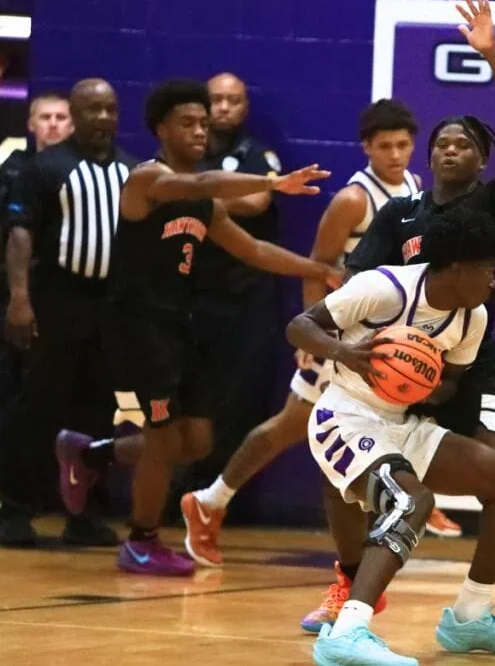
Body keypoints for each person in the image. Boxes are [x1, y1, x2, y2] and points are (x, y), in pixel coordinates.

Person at [340, 0, 495, 658]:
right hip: (402, 364)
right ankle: (348, 589)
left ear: (480, 159)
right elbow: (359, 285)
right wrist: (361, 350)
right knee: (346, 468)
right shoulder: (399, 216)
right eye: (441, 142)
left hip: (473, 362)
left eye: (463, 144)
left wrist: (494, 54)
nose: (449, 149)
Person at [179, 98, 457, 583]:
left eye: (403, 145)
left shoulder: (415, 187)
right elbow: (319, 265)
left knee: (403, 407)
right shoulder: (353, 199)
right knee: (290, 426)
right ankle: (209, 501)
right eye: (386, 145)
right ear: (367, 147)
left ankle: (409, 494)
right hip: (341, 337)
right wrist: (316, 335)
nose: (396, 154)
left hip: (383, 336)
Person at [69, 79, 337, 576]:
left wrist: (318, 270)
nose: (199, 132)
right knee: (166, 439)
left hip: (180, 323)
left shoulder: (206, 205)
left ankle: (93, 454)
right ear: (160, 130)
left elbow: (252, 250)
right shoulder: (146, 179)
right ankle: (141, 541)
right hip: (138, 323)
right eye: (187, 124)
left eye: (203, 125)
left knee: (197, 442)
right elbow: (195, 183)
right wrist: (271, 183)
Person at [289, 207, 495, 666]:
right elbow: (299, 326)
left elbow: (449, 387)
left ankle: (470, 617)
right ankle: (346, 633)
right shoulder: (384, 286)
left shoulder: (472, 318)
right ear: (457, 269)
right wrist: (349, 352)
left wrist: (421, 378)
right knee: (412, 501)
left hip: (401, 422)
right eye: (487, 270)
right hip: (345, 413)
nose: (493, 280)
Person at [0, 80, 135, 547]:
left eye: (110, 109)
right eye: (92, 110)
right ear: (75, 114)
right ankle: (14, 512)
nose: (103, 118)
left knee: (97, 413)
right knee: (39, 407)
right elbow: (18, 236)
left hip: (110, 306)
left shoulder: (133, 171)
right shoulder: (46, 168)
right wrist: (19, 298)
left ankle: (84, 514)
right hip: (57, 298)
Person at [182, 72, 286, 501]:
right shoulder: (187, 151)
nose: (224, 107)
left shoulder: (257, 154)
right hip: (190, 294)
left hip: (244, 296)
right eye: (217, 100)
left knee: (238, 397)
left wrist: (195, 195)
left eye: (234, 100)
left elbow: (258, 199)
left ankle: (222, 496)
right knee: (188, 402)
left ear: (245, 107)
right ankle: (179, 491)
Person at [0, 92, 73, 503]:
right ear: (32, 124)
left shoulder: (82, 171)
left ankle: (39, 496)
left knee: (47, 401)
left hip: (60, 300)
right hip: (9, 299)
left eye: (61, 117)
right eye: (45, 117)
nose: (53, 124)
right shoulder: (14, 169)